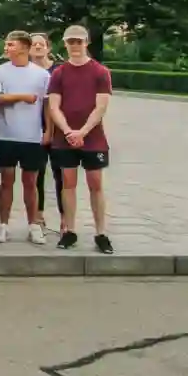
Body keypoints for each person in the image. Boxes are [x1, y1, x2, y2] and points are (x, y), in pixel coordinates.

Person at [47, 25, 114, 254]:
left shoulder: (100, 72)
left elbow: (101, 107)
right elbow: (54, 106)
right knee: (68, 182)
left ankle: (101, 232)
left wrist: (82, 132)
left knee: (95, 183)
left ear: (86, 43)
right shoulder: (59, 73)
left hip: (92, 137)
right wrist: (67, 131)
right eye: (70, 41)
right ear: (65, 44)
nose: (75, 45)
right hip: (65, 137)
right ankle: (70, 230)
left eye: (79, 41)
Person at [0, 31, 51, 246]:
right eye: (6, 44)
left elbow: (47, 105)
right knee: (6, 181)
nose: (6, 48)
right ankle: (3, 225)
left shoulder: (41, 75)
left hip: (32, 137)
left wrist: (48, 131)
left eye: (11, 44)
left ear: (24, 48)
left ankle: (34, 225)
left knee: (31, 183)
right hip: (5, 135)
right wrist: (21, 97)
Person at [30, 32, 62, 228]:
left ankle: (65, 218)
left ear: (49, 48)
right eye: (34, 44)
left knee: (61, 173)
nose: (39, 47)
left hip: (59, 127)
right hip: (33, 127)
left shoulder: (59, 70)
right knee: (37, 173)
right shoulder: (26, 70)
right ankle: (38, 216)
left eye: (42, 44)